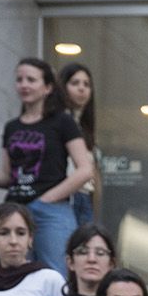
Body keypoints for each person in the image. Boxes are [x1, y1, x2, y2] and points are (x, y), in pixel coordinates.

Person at [0, 58, 94, 277]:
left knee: (56, 275)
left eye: (31, 79)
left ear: (47, 87)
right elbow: (9, 177)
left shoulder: (62, 122)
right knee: (13, 274)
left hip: (51, 210)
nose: (24, 85)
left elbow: (85, 169)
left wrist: (49, 198)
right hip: (15, 209)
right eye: (19, 79)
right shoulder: (12, 126)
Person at [57, 63, 100, 227]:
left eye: (86, 84)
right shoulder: (59, 121)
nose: (82, 88)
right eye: (75, 83)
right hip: (67, 194)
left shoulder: (84, 126)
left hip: (85, 195)